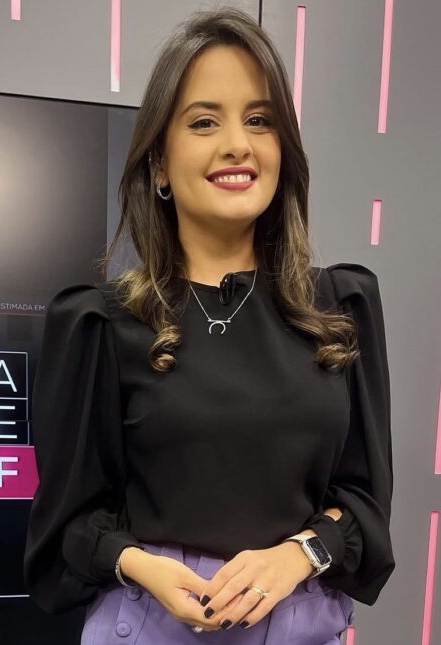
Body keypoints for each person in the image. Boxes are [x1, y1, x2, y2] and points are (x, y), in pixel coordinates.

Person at [23, 6, 394, 644]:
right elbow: (69, 529)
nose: (237, 144)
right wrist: (144, 566)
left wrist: (297, 556)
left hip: (300, 626)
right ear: (159, 164)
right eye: (203, 121)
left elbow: (365, 504)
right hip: (150, 623)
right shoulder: (100, 323)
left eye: (260, 120)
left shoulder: (341, 307)